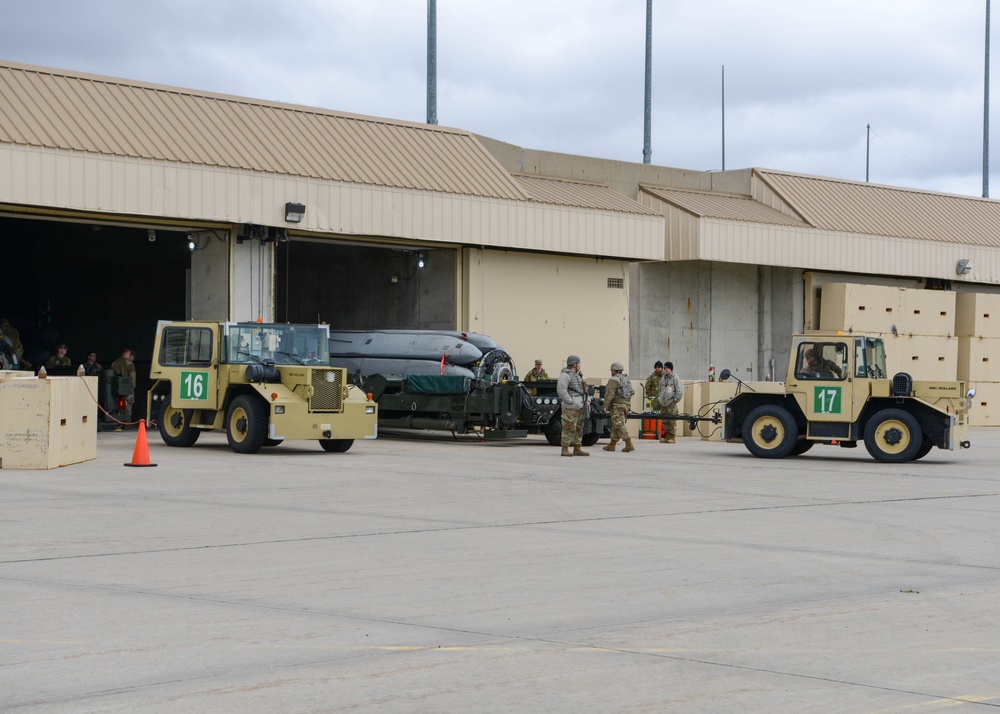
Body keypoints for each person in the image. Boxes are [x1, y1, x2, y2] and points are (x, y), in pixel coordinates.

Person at [556, 354, 589, 457]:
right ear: (574, 364)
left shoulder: (578, 376)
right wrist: (570, 401)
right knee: (568, 427)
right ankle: (565, 448)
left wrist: (586, 400)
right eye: (579, 363)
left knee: (579, 428)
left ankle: (577, 448)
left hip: (580, 406)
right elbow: (561, 391)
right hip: (570, 407)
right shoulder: (565, 375)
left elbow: (583, 390)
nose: (580, 365)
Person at [602, 362, 635, 453]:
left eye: (612, 370)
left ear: (614, 370)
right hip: (626, 405)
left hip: (618, 405)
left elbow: (610, 393)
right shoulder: (626, 379)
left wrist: (606, 405)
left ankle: (628, 443)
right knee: (616, 425)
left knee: (619, 425)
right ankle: (612, 444)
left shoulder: (614, 379)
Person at [657, 361, 684, 444]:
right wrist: (660, 399)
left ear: (671, 369)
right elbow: (659, 390)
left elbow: (679, 391)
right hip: (663, 403)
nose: (666, 370)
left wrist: (675, 401)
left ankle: (672, 437)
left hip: (671, 403)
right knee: (665, 421)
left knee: (672, 421)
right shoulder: (663, 378)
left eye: (668, 368)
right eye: (665, 368)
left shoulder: (675, 378)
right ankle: (667, 436)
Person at [111, 347, 137, 417]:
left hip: (116, 387)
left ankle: (118, 420)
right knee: (128, 403)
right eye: (129, 354)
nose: (130, 355)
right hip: (127, 387)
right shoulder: (130, 364)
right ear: (125, 354)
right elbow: (132, 377)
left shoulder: (114, 363)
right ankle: (127, 421)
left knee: (118, 404)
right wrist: (132, 388)